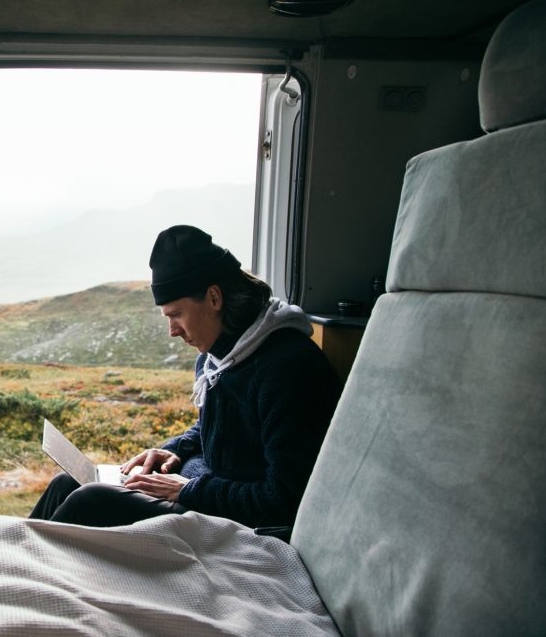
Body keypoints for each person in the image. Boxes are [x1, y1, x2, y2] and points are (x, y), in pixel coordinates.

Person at [29, 225, 342, 528]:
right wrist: (174, 450)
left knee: (91, 500)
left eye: (176, 314)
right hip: (202, 493)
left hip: (240, 523)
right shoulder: (217, 357)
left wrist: (185, 490)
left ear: (214, 298)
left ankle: (26, 576)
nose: (172, 331)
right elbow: (219, 429)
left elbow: (285, 499)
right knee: (64, 484)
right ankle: (2, 564)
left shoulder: (289, 369)